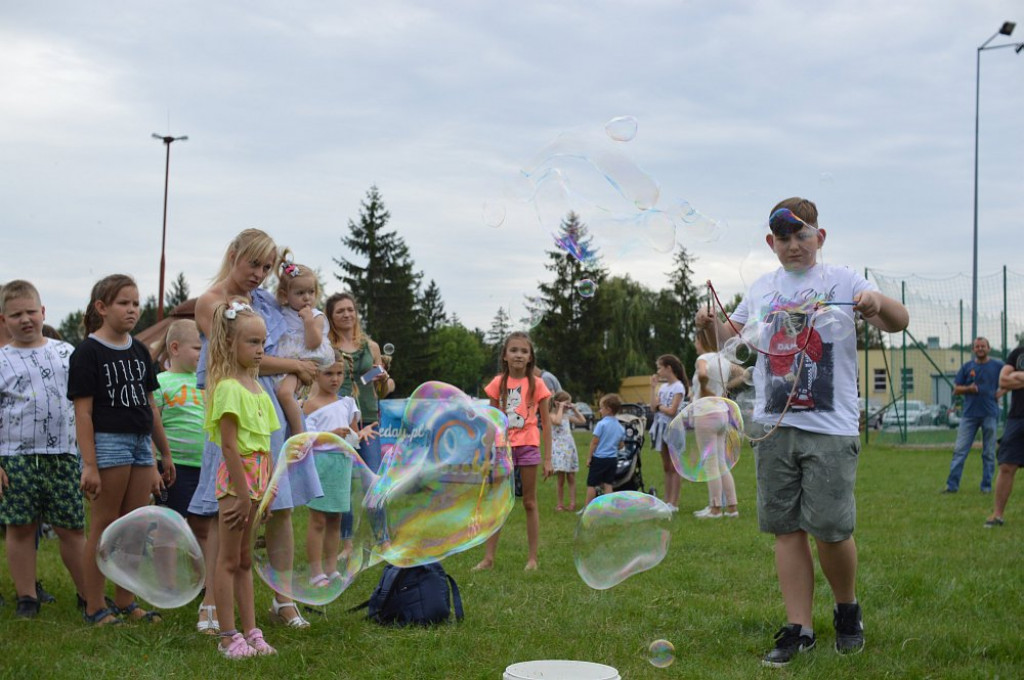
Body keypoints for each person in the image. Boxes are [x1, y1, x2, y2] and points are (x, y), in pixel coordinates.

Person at [696, 197, 908, 667]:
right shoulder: (762, 289)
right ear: (771, 243)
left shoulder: (843, 279)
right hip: (774, 427)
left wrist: (875, 303)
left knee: (831, 530)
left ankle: (846, 609)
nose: (794, 245)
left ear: (820, 236)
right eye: (784, 238)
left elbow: (898, 322)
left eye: (802, 234)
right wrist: (708, 325)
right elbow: (730, 344)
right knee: (786, 530)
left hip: (829, 427)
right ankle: (800, 627)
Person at [189, 229, 321, 630]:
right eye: (253, 264)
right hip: (233, 406)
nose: (259, 274)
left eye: (267, 267)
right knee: (223, 508)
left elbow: (292, 334)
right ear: (233, 254)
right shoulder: (211, 302)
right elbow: (244, 357)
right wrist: (295, 367)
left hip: (268, 410)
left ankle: (283, 599)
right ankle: (212, 602)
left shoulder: (264, 300)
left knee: (278, 505)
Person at [68, 274, 175, 626]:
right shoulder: (88, 352)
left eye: (135, 303)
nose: (131, 310)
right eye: (123, 303)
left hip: (142, 444)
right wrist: (90, 464)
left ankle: (125, 601)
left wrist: (165, 453)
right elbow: (83, 413)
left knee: (134, 527)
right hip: (108, 444)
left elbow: (150, 405)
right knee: (104, 524)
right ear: (102, 307)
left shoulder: (140, 350)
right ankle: (95, 605)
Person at [0, 280, 87, 619]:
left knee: (72, 528)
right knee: (21, 527)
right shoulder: (3, 360)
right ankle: (26, 598)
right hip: (16, 457)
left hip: (63, 456)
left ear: (43, 312)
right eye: (16, 314)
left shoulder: (65, 352)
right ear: (4, 319)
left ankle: (87, 593)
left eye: (31, 312)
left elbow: (83, 402)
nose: (25, 319)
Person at [204, 300, 279, 658]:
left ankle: (252, 631)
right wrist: (241, 495)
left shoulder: (257, 387)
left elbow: (266, 446)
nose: (260, 350)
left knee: (247, 560)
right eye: (252, 342)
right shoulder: (229, 388)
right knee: (229, 560)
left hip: (257, 482)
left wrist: (268, 489)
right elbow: (231, 447)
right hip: (237, 484)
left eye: (263, 343)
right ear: (229, 344)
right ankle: (227, 635)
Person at [152, 319, 218, 633]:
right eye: (199, 348)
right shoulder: (161, 383)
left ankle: (205, 584)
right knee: (168, 529)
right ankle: (167, 586)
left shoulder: (208, 382)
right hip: (173, 468)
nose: (204, 354)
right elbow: (154, 425)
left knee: (203, 527)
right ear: (175, 348)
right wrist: (157, 462)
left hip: (205, 468)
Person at [473, 331, 552, 571]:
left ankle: (532, 559)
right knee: (497, 503)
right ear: (505, 356)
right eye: (514, 350)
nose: (519, 355)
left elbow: (546, 423)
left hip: (528, 446)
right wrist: (486, 454)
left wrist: (548, 458)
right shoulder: (498, 383)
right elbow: (492, 420)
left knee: (529, 502)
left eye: (524, 351)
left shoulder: (538, 384)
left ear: (530, 358)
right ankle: (488, 559)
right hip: (501, 447)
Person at [301, 353, 374, 583]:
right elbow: (304, 440)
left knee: (336, 520)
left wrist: (358, 434)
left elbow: (353, 435)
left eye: (339, 373)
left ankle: (331, 569)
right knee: (318, 520)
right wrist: (329, 436)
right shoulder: (308, 406)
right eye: (329, 373)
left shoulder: (347, 403)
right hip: (320, 465)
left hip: (341, 465)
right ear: (316, 375)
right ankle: (316, 573)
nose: (335, 379)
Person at [325, 292, 394, 473]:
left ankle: (376, 503)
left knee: (372, 475)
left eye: (350, 310)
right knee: (340, 476)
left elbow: (380, 392)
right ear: (330, 317)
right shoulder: (326, 347)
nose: (347, 314)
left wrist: (384, 380)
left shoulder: (371, 347)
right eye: (340, 311)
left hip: (368, 420)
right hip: (338, 420)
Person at [272, 253, 335, 436]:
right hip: (284, 362)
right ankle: (289, 428)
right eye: (300, 293)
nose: (307, 298)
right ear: (285, 295)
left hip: (304, 361)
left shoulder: (316, 316)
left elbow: (313, 343)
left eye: (311, 292)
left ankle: (299, 433)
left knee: (285, 394)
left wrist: (308, 321)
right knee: (281, 396)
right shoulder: (281, 312)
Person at [692, 328, 747, 519]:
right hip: (722, 413)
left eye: (695, 340)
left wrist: (705, 387)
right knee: (721, 462)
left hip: (705, 413)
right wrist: (724, 388)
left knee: (710, 463)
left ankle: (715, 508)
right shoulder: (723, 360)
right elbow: (743, 374)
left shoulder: (703, 359)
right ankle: (732, 508)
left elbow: (702, 373)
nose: (694, 344)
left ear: (701, 340)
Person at [943, 337, 1005, 494]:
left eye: (983, 346)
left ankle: (986, 487)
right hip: (969, 416)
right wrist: (968, 389)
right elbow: (956, 389)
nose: (980, 349)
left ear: (989, 348)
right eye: (977, 346)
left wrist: (1001, 392)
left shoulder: (998, 365)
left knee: (989, 453)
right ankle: (952, 486)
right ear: (973, 350)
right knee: (960, 451)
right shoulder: (967, 367)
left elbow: (1008, 380)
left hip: (990, 414)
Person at [986, 343, 1024, 527]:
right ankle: (997, 515)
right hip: (1017, 418)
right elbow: (1003, 381)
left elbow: (1011, 379)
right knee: (1007, 465)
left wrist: (1018, 376)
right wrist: (1013, 377)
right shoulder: (1018, 353)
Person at [649, 354, 688, 511]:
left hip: (673, 428)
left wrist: (660, 407)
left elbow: (672, 410)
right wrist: (652, 387)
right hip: (660, 428)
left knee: (674, 467)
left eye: (660, 367)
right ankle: (666, 501)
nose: (658, 371)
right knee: (666, 466)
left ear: (668, 368)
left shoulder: (678, 386)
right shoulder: (663, 387)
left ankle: (674, 502)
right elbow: (652, 407)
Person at [585, 393, 626, 506]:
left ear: (608, 409)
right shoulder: (620, 427)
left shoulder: (601, 424)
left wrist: (589, 457)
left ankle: (587, 508)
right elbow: (621, 445)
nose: (600, 410)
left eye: (601, 408)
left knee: (591, 484)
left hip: (599, 458)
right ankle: (608, 508)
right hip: (612, 460)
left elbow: (594, 442)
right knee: (608, 484)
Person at [550, 390, 585, 511]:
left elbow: (582, 421)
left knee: (571, 476)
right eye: (565, 404)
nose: (566, 407)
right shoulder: (552, 415)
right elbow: (557, 421)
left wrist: (574, 409)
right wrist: (560, 407)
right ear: (557, 403)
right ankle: (560, 503)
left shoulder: (567, 416)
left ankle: (572, 503)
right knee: (560, 478)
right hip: (559, 449)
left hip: (569, 448)